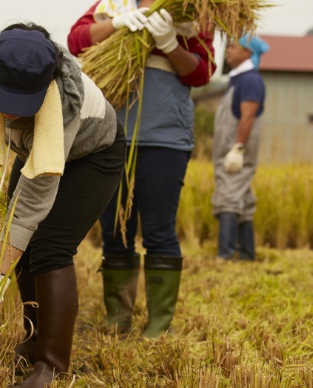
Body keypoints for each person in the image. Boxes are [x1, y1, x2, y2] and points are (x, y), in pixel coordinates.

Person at [0, 23, 126, 388]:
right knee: (22, 249)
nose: (11, 113)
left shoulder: (63, 99)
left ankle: (51, 365)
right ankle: (31, 342)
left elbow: (30, 207)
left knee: (49, 245)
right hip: (33, 154)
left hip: (93, 156)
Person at [67, 1, 215, 337]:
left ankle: (159, 326)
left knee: (159, 231)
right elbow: (76, 40)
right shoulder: (113, 5)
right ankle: (118, 317)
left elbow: (202, 72)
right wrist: (117, 24)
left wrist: (170, 45)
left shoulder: (191, 10)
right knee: (115, 232)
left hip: (165, 138)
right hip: (110, 136)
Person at [212, 34, 269, 261]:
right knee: (242, 199)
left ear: (247, 53)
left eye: (233, 47)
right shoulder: (238, 79)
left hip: (236, 152)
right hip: (229, 150)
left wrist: (238, 148)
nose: (228, 51)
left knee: (228, 197)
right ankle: (246, 254)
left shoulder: (251, 81)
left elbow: (248, 117)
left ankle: (224, 256)